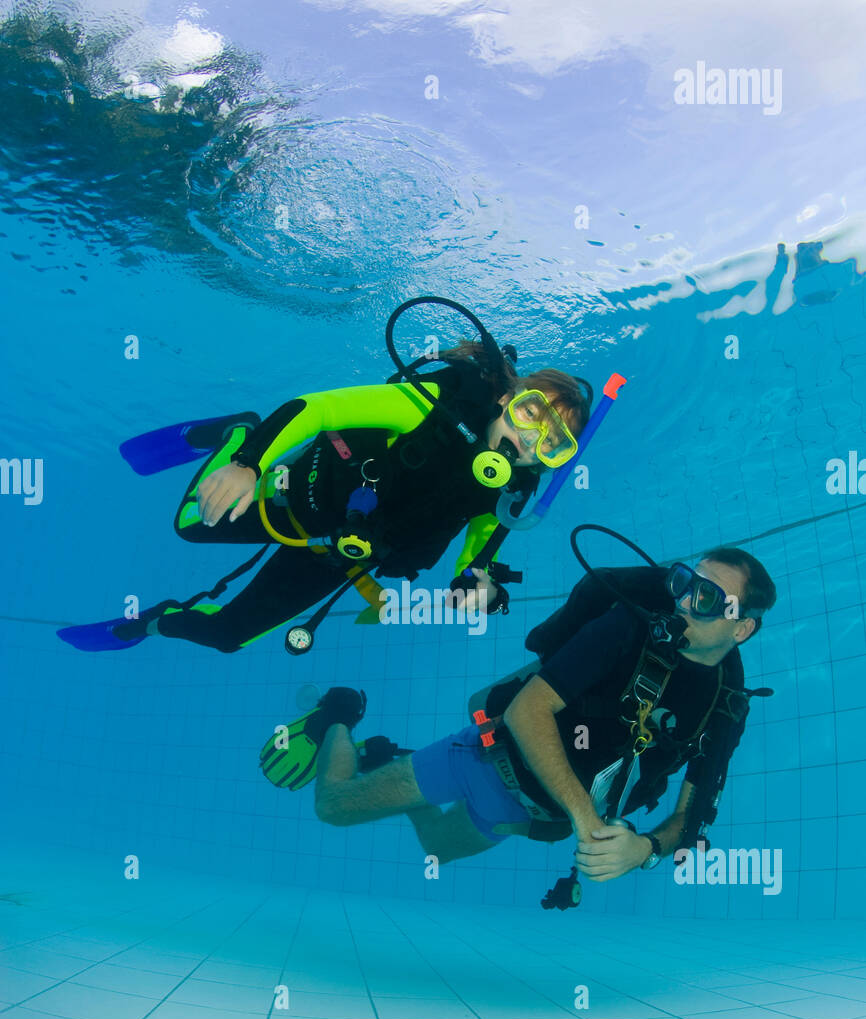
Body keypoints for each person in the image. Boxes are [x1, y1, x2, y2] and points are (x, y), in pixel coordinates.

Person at [284, 546, 776, 904]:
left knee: (436, 845)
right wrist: (588, 820)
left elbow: (690, 819)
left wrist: (643, 849)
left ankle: (393, 760)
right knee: (334, 807)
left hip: (530, 817)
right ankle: (339, 716)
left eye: (707, 598)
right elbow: (527, 711)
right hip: (485, 760)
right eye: (684, 583)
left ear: (742, 628)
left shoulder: (725, 707)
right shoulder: (629, 629)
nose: (685, 602)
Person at [57, 328, 594, 654]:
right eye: (530, 414)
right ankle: (235, 431)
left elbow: (479, 555)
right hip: (297, 495)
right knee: (190, 525)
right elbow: (321, 408)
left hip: (338, 556)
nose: (527, 439)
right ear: (506, 400)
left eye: (551, 442)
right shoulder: (434, 404)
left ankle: (151, 623)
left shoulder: (513, 493)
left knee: (227, 637)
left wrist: (478, 588)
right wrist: (249, 462)